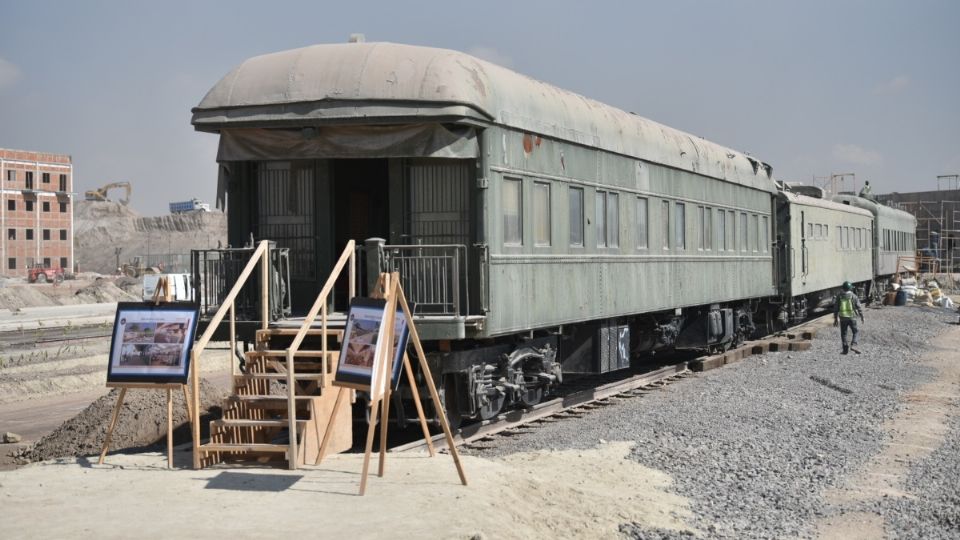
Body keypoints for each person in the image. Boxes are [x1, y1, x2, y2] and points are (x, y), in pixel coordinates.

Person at [834, 281, 864, 354]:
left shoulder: (839, 296)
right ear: (850, 288)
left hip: (843, 318)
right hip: (852, 317)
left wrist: (835, 319)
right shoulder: (853, 296)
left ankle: (845, 350)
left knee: (843, 334)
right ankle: (853, 344)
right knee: (855, 332)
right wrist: (862, 316)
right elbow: (859, 307)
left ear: (843, 288)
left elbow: (836, 308)